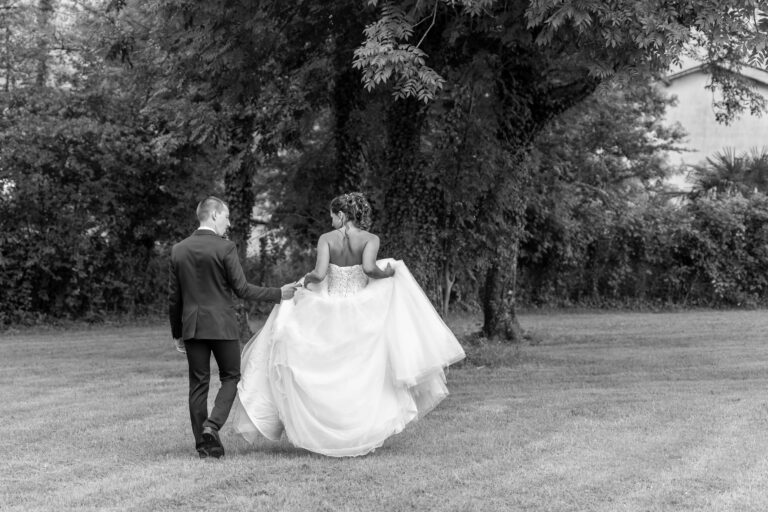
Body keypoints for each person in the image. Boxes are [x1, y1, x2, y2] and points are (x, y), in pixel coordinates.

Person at [231, 192, 466, 457]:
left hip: (328, 311)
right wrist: (387, 272)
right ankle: (358, 431)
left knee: (327, 368)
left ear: (342, 215)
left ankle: (327, 429)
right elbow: (370, 269)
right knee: (360, 372)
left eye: (332, 215)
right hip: (361, 311)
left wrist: (304, 281)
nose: (330, 220)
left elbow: (319, 274)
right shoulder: (370, 239)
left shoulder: (326, 239)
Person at [168, 196, 298, 459]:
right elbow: (242, 289)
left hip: (192, 327)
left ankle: (204, 445)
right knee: (231, 377)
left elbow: (174, 298)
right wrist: (278, 293)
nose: (228, 223)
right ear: (214, 214)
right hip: (222, 326)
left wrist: (177, 333)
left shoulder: (178, 249)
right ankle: (212, 426)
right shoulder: (225, 247)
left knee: (198, 384)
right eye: (226, 217)